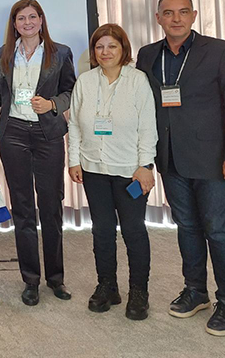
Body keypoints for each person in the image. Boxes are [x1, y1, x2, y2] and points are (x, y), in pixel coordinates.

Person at [137, 0, 225, 336]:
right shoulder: (147, 55)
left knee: (218, 230)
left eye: (183, 12)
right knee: (186, 227)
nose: (176, 19)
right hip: (169, 158)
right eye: (169, 13)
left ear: (194, 16)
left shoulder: (220, 51)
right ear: (158, 18)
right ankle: (196, 291)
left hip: (212, 160)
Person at [0, 0, 76, 306]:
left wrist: (51, 104)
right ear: (14, 24)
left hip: (47, 134)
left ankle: (56, 278)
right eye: (21, 18)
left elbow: (70, 91)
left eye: (32, 17)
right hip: (13, 134)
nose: (27, 22)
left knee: (51, 207)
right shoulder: (3, 54)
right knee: (23, 208)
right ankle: (30, 280)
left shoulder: (60, 52)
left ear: (41, 20)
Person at [67, 23, 157, 320]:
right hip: (93, 168)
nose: (105, 52)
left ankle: (139, 292)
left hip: (130, 171)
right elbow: (74, 124)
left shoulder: (137, 80)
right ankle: (107, 286)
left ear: (123, 49)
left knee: (133, 230)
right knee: (102, 230)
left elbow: (148, 126)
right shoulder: (85, 81)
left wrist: (145, 165)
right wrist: (74, 160)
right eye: (99, 47)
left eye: (112, 46)